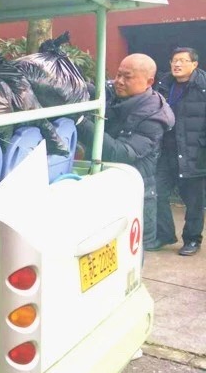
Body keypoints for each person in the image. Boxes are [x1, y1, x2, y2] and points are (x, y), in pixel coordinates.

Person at [76, 53, 174, 252]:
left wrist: (80, 122)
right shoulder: (114, 91)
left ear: (149, 82)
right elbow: (90, 90)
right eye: (118, 74)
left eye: (127, 77)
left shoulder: (155, 116)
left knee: (129, 256)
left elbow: (121, 153)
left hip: (133, 193)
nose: (119, 81)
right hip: (102, 185)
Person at [152, 47, 206, 256]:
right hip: (167, 151)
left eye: (183, 60)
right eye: (174, 60)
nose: (177, 64)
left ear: (195, 64)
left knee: (194, 201)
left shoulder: (202, 87)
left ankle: (192, 240)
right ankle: (164, 234)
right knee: (157, 192)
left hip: (195, 152)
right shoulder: (164, 84)